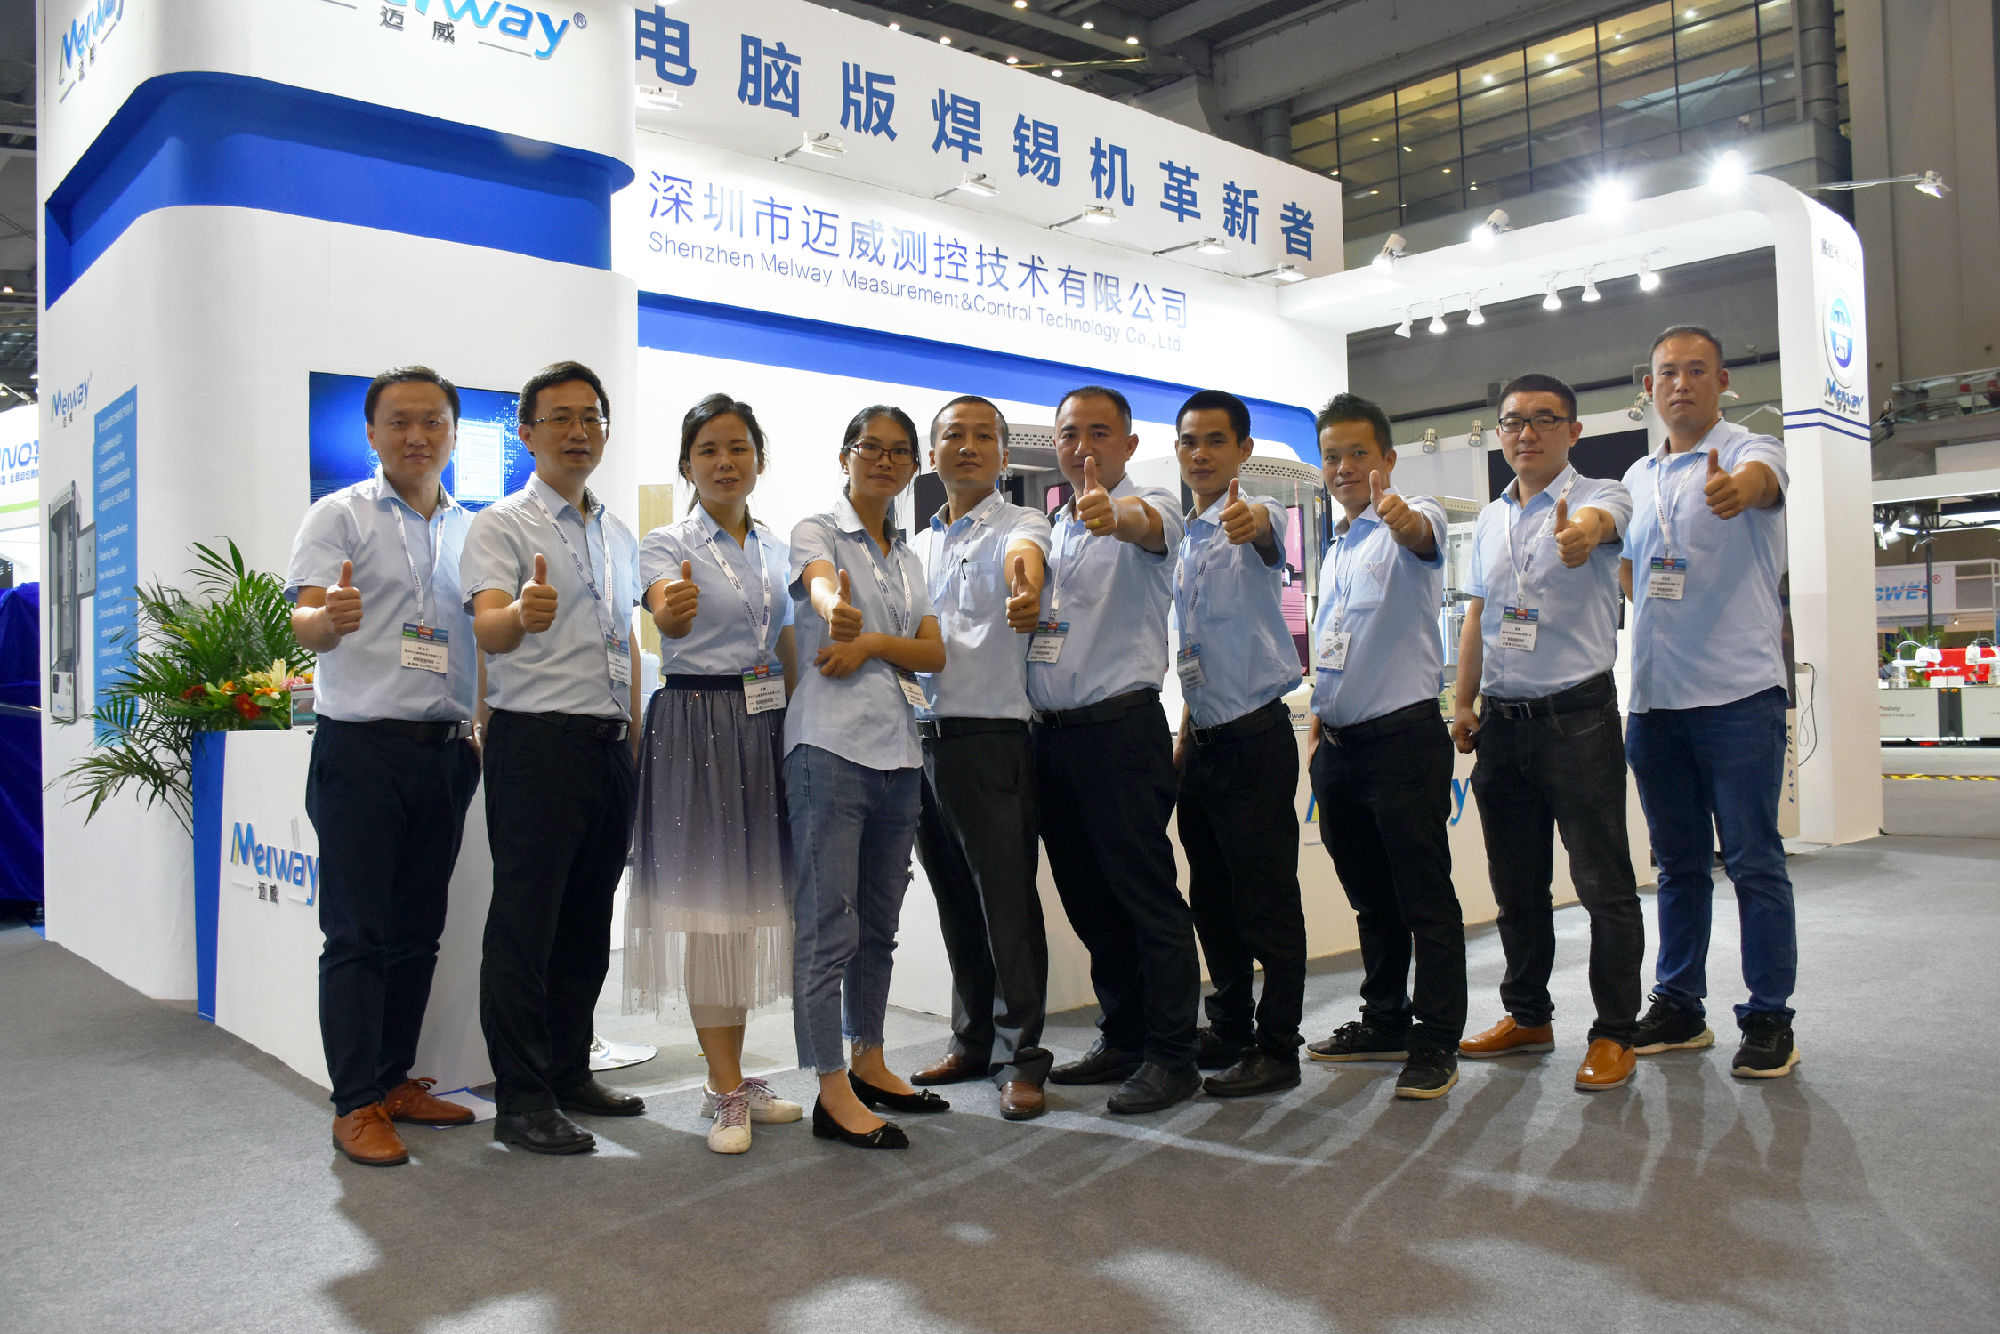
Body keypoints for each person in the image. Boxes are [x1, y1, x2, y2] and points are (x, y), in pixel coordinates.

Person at [287, 366, 482, 1167]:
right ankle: (355, 1103)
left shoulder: (472, 530)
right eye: (399, 421)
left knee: (417, 934)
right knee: (358, 935)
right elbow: (305, 617)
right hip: (361, 750)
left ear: (453, 433)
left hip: (444, 752)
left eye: (433, 421)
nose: (417, 436)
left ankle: (395, 1079)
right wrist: (325, 620)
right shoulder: (340, 515)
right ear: (371, 433)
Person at [461, 360, 645, 1155]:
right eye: (560, 418)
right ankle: (522, 1097)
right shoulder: (501, 525)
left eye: (591, 418)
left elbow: (624, 640)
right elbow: (487, 626)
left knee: (586, 922)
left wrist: (636, 739)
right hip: (536, 741)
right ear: (527, 433)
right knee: (525, 927)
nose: (578, 432)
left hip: (607, 747)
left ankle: (570, 1070)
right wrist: (520, 617)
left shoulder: (616, 534)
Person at [1451, 373, 1645, 1092]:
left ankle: (1615, 1032)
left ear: (1573, 431)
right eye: (1512, 421)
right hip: (1503, 724)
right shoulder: (1491, 519)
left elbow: (1600, 525)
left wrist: (1579, 536)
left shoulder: (1603, 494)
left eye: (1543, 419)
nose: (1526, 433)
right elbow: (1478, 615)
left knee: (1603, 885)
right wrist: (1463, 701)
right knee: (1517, 886)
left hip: (1577, 720)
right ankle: (1528, 1015)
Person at [1619, 326, 1800, 1078]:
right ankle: (1679, 1005)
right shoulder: (1637, 476)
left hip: (1738, 696)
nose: (1681, 383)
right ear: (1649, 386)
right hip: (1655, 703)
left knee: (1754, 861)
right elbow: (1631, 571)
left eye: (1697, 371)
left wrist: (1736, 491)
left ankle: (1769, 1017)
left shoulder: (1753, 449)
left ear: (1722, 381)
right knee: (1677, 866)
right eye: (1668, 372)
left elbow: (1762, 483)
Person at [627, 394, 803, 1155]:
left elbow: (786, 645)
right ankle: (726, 1087)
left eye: (738, 448)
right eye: (708, 450)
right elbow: (663, 613)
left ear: (759, 459)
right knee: (709, 910)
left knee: (752, 907)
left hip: (764, 725)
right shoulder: (666, 543)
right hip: (696, 727)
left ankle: (723, 1079)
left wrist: (800, 727)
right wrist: (672, 609)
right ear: (686, 464)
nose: (725, 462)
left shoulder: (778, 549)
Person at [1030, 385, 1204, 1115]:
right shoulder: (1053, 528)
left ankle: (1173, 1054)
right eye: (1070, 434)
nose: (1083, 447)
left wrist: (1113, 513)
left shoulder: (1151, 503)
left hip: (1119, 731)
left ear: (1129, 444)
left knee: (1144, 897)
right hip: (1052, 739)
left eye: (1099, 433)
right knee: (1089, 901)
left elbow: (1145, 526)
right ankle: (1124, 1035)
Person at [784, 405, 948, 1150]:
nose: (884, 460)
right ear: (845, 455)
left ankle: (870, 1059)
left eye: (898, 451)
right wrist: (834, 610)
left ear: (913, 466)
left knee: (879, 926)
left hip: (899, 757)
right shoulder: (817, 531)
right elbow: (821, 586)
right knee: (829, 925)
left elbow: (933, 654)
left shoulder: (909, 558)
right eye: (869, 447)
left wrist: (873, 642)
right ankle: (830, 1088)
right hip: (829, 750)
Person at [1304, 392, 1467, 1100]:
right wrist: (1320, 720)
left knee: (1425, 900)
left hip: (1402, 742)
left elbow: (1424, 534)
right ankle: (1385, 1020)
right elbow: (1340, 646)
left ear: (1388, 459)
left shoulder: (1410, 516)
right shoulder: (1338, 547)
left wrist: (1403, 519)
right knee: (1372, 901)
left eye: (1358, 454)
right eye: (1332, 456)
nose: (1343, 467)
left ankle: (1436, 1040)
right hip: (1341, 751)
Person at [906, 395, 1054, 1121]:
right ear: (932, 453)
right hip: (922, 740)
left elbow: (1028, 563)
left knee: (1006, 906)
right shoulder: (917, 545)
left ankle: (1021, 1059)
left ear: (1003, 453)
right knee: (956, 904)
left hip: (992, 741)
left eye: (982, 436)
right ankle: (971, 1042)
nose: (967, 446)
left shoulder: (1021, 523)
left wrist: (1026, 588)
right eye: (953, 436)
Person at [1168, 390, 1310, 1099]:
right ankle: (1229, 1027)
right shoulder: (1184, 540)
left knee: (1265, 901)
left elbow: (1266, 532)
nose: (1201, 453)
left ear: (1243, 451)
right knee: (1212, 899)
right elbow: (1194, 653)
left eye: (1216, 441)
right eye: (1189, 441)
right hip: (1203, 740)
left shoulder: (1258, 511)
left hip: (1255, 736)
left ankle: (1278, 1046)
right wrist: (1184, 738)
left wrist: (1253, 522)